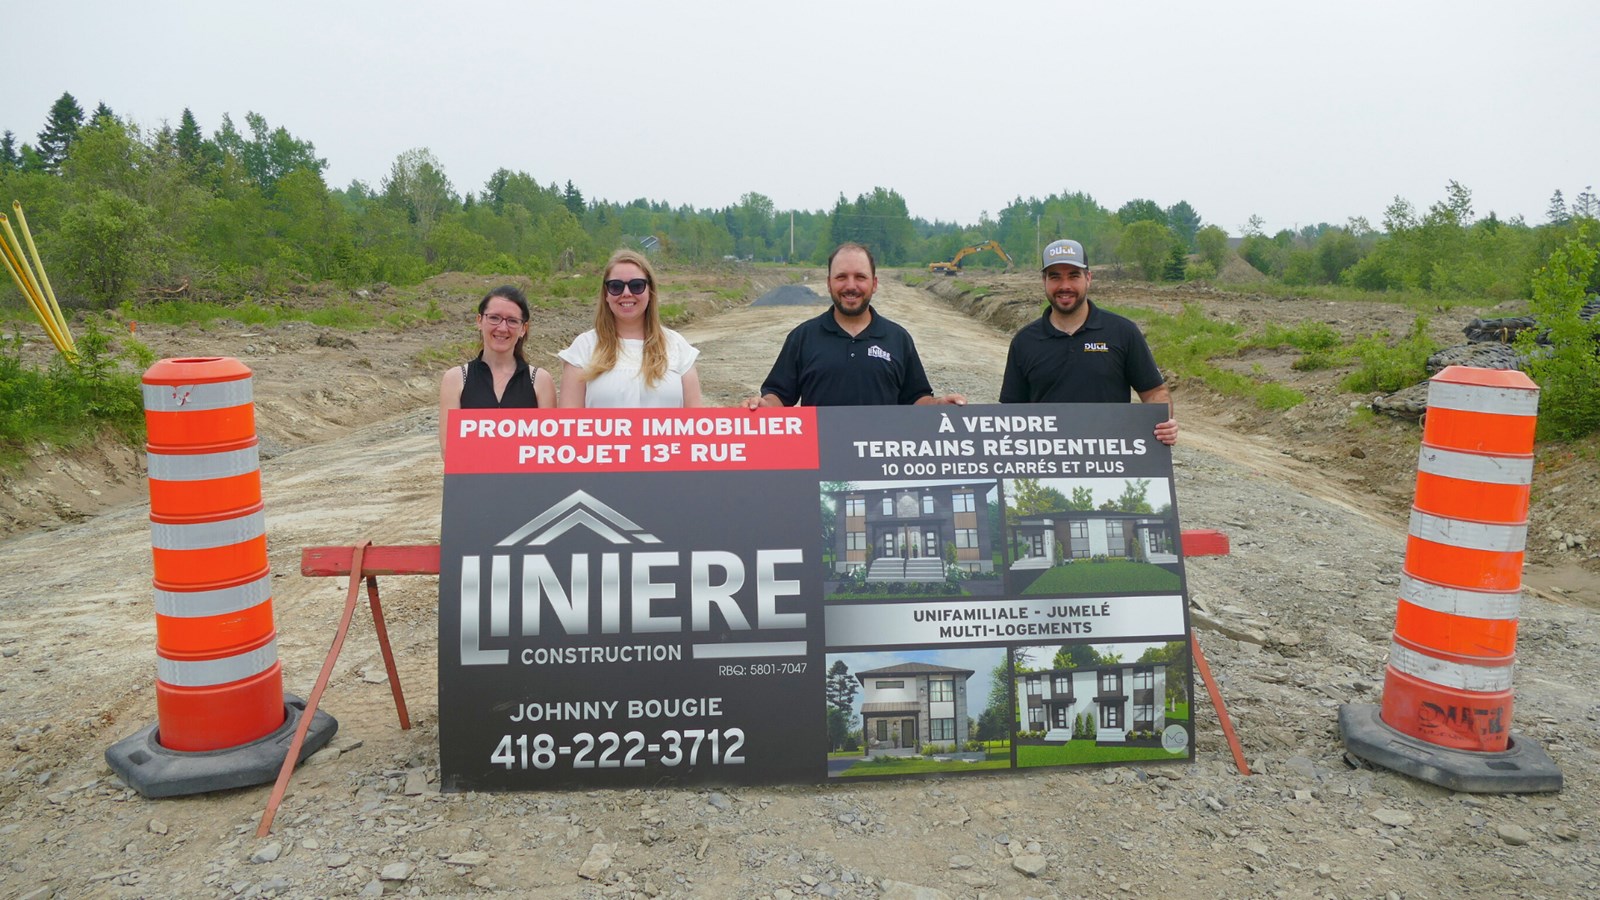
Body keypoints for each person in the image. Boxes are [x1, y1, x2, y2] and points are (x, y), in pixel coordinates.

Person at [1000, 239, 1177, 444]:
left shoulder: (1122, 332)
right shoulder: (1025, 341)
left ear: (1088, 278)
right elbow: (1010, 414)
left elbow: (1155, 393)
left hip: (1109, 459)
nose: (1065, 286)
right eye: (1055, 277)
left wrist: (1163, 423)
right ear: (1044, 281)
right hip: (1048, 460)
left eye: (1074, 276)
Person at [746, 242, 965, 408]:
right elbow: (778, 396)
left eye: (860, 277)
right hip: (822, 454)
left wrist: (938, 405)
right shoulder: (803, 337)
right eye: (841, 277)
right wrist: (764, 406)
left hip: (880, 454)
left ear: (874, 284)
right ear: (829, 283)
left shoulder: (898, 338)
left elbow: (916, 399)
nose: (851, 286)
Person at [559, 249, 703, 408]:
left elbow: (695, 419)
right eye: (616, 286)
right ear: (606, 294)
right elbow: (569, 420)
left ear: (650, 291)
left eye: (637, 286)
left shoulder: (678, 347)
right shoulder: (583, 349)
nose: (626, 293)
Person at [438, 285, 556, 453]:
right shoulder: (455, 379)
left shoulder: (540, 381)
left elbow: (547, 449)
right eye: (494, 318)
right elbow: (450, 451)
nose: (502, 328)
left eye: (512, 321)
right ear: (479, 321)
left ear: (523, 329)